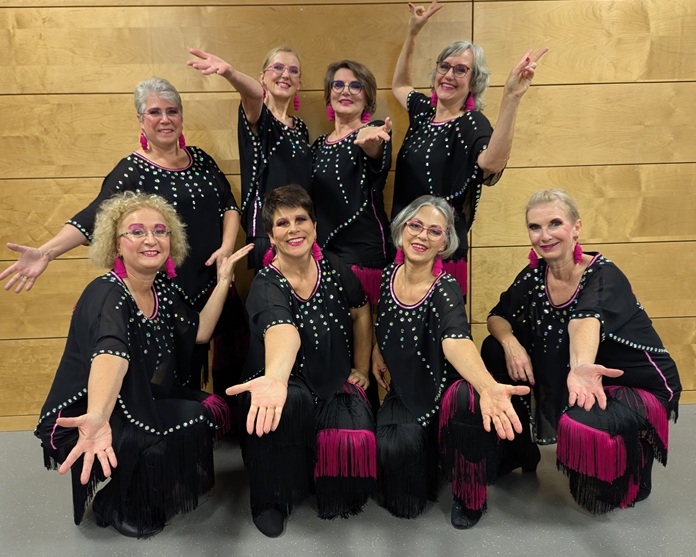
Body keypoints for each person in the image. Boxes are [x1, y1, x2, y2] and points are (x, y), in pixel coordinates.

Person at [1, 77, 244, 391]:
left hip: (215, 280)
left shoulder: (201, 159)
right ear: (141, 121)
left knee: (230, 370)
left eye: (172, 111)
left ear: (181, 117)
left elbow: (229, 205)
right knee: (174, 381)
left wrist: (226, 248)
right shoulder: (132, 170)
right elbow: (94, 216)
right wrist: (47, 252)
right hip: (170, 288)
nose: (165, 119)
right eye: (155, 112)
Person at [34, 192, 253, 538]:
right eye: (136, 231)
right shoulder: (107, 294)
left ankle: (148, 485)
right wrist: (98, 416)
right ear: (116, 245)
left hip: (131, 398)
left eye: (160, 231)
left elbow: (200, 332)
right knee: (161, 435)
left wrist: (224, 278)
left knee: (204, 411)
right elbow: (111, 355)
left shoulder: (160, 289)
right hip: (83, 415)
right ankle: (115, 502)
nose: (151, 239)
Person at [482, 189, 681, 518]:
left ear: (576, 227)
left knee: (596, 493)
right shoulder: (534, 275)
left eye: (555, 223)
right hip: (580, 376)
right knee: (493, 349)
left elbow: (584, 321)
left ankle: (636, 463)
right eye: (535, 227)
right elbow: (497, 316)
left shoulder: (604, 274)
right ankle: (518, 450)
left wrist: (581, 367)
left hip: (632, 382)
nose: (544, 235)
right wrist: (509, 342)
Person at [372, 195, 529, 529]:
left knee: (466, 401)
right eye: (416, 225)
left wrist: (487, 386)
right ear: (402, 229)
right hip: (405, 392)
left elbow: (455, 339)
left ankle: (469, 495)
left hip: (443, 391)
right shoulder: (388, 276)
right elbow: (384, 320)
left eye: (434, 231)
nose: (422, 235)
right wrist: (377, 347)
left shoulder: (446, 288)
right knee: (397, 472)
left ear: (444, 242)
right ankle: (430, 457)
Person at [227, 185, 375, 538]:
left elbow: (361, 311)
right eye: (282, 223)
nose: (293, 229)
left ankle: (310, 469)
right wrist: (277, 379)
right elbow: (284, 332)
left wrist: (361, 367)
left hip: (333, 380)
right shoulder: (266, 284)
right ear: (270, 236)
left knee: (346, 484)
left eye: (300, 219)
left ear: (314, 226)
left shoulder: (334, 267)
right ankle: (269, 500)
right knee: (289, 403)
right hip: (283, 386)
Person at [391, 0, 547, 297]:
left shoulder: (471, 122)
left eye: (460, 70)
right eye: (444, 66)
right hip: (405, 242)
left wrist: (511, 98)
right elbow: (400, 85)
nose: (449, 75)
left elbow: (491, 163)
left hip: (441, 251)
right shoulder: (422, 112)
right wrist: (412, 33)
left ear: (474, 82)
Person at [188, 47, 312, 272]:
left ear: (299, 83)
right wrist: (230, 73)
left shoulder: (300, 127)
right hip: (269, 233)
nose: (285, 74)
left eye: (293, 70)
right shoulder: (259, 116)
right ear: (262, 78)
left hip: (300, 230)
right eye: (277, 67)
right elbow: (253, 95)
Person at [311, 60, 392, 305]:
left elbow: (374, 148)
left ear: (367, 97)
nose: (345, 91)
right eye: (338, 85)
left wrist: (371, 142)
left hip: (363, 255)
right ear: (329, 94)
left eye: (355, 86)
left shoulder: (373, 130)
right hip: (324, 255)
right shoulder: (318, 146)